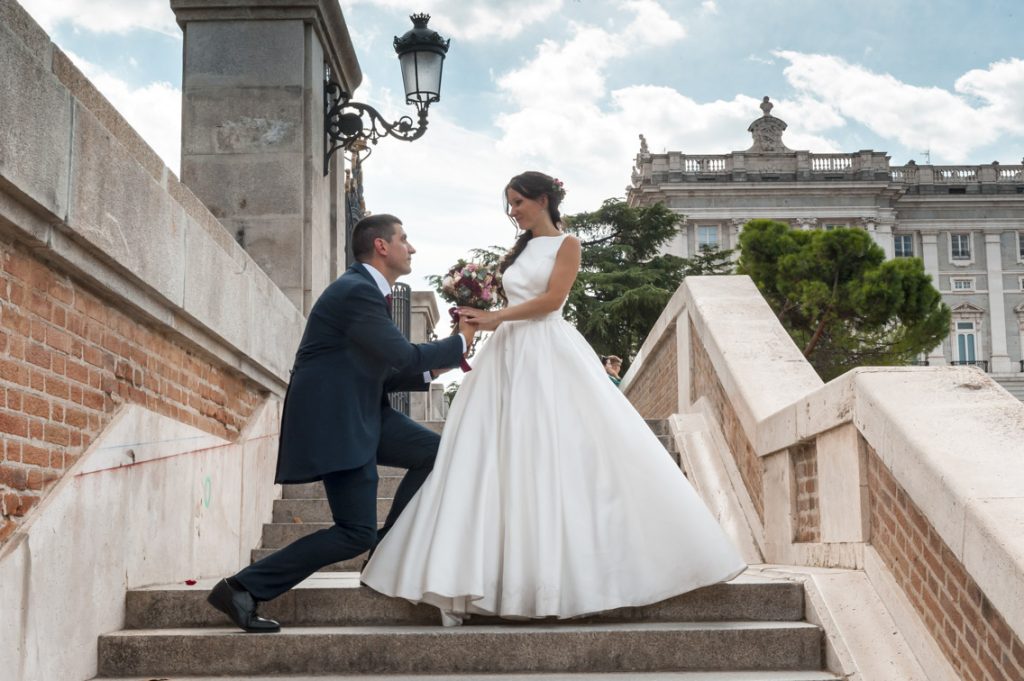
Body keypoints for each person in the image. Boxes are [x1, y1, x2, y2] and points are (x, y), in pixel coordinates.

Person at [361, 172, 745, 625]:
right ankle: (468, 578)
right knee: (487, 459)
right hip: (505, 357)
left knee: (550, 454)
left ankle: (560, 578)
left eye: (519, 202)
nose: (513, 211)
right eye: (509, 204)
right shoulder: (517, 251)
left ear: (543, 199)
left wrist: (495, 315)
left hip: (546, 352)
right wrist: (475, 320)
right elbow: (511, 305)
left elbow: (552, 300)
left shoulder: (568, 244)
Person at [206, 214, 473, 632]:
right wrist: (460, 341)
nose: (412, 247)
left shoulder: (365, 292)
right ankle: (241, 588)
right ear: (381, 247)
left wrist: (431, 371)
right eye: (405, 238)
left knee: (435, 452)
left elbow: (382, 370)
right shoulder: (356, 292)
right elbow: (402, 356)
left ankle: (390, 547)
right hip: (336, 421)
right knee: (354, 532)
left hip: (361, 411)